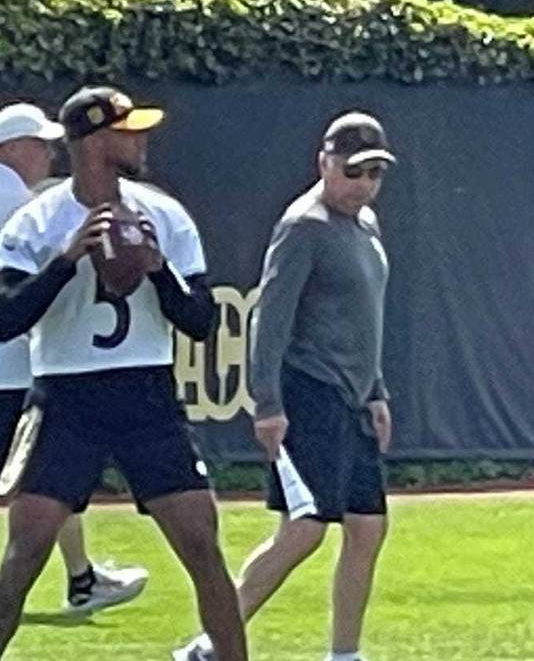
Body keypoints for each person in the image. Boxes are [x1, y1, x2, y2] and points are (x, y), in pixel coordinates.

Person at [0, 86, 248, 661]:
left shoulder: (164, 215)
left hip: (145, 391)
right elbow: (2, 318)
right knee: (24, 554)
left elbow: (199, 321)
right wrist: (67, 260)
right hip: (67, 396)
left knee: (201, 542)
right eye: (129, 130)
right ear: (95, 139)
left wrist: (157, 270)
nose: (142, 140)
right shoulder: (37, 222)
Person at [173, 112, 398, 661]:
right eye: (353, 172)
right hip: (310, 392)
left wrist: (376, 391)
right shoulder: (303, 227)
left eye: (373, 174)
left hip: (353, 399)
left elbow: (366, 317)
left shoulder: (364, 225)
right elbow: (269, 320)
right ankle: (210, 643)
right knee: (305, 530)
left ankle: (344, 654)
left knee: (368, 528)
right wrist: (267, 404)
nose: (363, 185)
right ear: (324, 163)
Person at [0, 102, 148, 617]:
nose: (48, 155)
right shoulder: (14, 205)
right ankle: (81, 578)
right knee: (47, 467)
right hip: (0, 358)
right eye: (41, 146)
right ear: (14, 148)